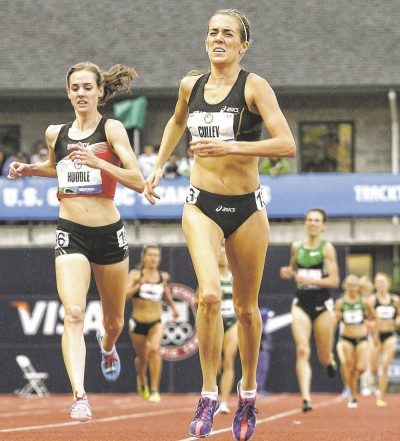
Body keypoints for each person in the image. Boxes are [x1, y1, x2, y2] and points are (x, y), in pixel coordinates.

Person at [145, 8, 296, 440]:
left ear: (242, 45)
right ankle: (209, 396)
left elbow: (286, 144)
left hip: (247, 207)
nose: (218, 39)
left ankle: (247, 395)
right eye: (212, 32)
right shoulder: (189, 85)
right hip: (201, 204)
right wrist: (157, 166)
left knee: (246, 311)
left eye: (227, 33)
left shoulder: (255, 87)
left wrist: (232, 144)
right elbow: (176, 121)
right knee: (209, 297)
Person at [8, 61, 145, 422]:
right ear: (68, 92)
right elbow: (58, 167)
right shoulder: (57, 132)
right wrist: (30, 169)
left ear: (100, 91)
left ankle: (109, 347)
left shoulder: (112, 128)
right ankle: (80, 396)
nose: (82, 93)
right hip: (71, 231)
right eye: (75, 87)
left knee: (113, 321)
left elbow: (136, 178)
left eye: (88, 87)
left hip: (108, 233)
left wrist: (101, 165)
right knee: (73, 312)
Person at [280, 208, 339, 412]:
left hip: (322, 304)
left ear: (323, 225)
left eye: (317, 220)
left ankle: (329, 360)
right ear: (305, 223)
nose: (313, 223)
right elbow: (293, 268)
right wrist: (288, 272)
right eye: (310, 220)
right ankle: (306, 398)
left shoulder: (327, 248)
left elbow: (334, 280)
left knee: (322, 356)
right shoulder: (296, 246)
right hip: (301, 303)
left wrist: (311, 280)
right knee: (303, 349)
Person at [126, 244, 179, 402]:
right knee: (142, 358)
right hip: (138, 322)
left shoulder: (163, 277)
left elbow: (165, 292)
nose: (153, 258)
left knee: (155, 350)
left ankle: (155, 389)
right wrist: (138, 285)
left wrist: (174, 308)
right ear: (144, 256)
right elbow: (124, 295)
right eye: (150, 255)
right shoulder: (136, 274)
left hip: (157, 321)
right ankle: (142, 381)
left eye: (156, 255)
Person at [334, 275, 376, 408]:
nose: (352, 288)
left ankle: (352, 386)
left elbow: (374, 318)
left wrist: (370, 324)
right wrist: (336, 318)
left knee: (361, 367)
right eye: (349, 285)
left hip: (361, 338)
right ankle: (352, 394)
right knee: (349, 366)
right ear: (345, 286)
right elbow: (335, 318)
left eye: (354, 285)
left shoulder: (364, 302)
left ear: (358, 287)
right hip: (346, 338)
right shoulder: (340, 302)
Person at [369, 272, 400, 406]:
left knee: (386, 366)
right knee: (374, 368)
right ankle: (376, 388)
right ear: (375, 285)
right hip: (376, 336)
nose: (381, 284)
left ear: (388, 283)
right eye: (378, 282)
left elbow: (399, 315)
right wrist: (371, 326)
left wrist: (398, 320)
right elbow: (367, 318)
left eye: (383, 282)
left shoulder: (395, 300)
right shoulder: (371, 300)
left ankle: (381, 396)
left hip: (390, 335)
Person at [217, 242, 238, 414]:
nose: (223, 256)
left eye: (225, 253)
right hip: (215, 321)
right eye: (219, 253)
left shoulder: (235, 276)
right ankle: (211, 397)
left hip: (232, 320)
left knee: (229, 359)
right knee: (215, 364)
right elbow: (198, 299)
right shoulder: (209, 276)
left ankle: (224, 400)